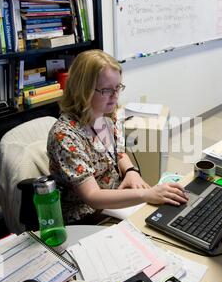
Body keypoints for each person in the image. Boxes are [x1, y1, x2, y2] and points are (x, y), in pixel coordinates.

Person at [47, 49, 188, 225]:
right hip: (86, 215)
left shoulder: (106, 114)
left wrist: (131, 171)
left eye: (118, 87)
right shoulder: (64, 135)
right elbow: (92, 196)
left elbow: (118, 152)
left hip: (116, 199)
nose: (115, 96)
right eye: (106, 90)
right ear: (82, 90)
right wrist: (145, 194)